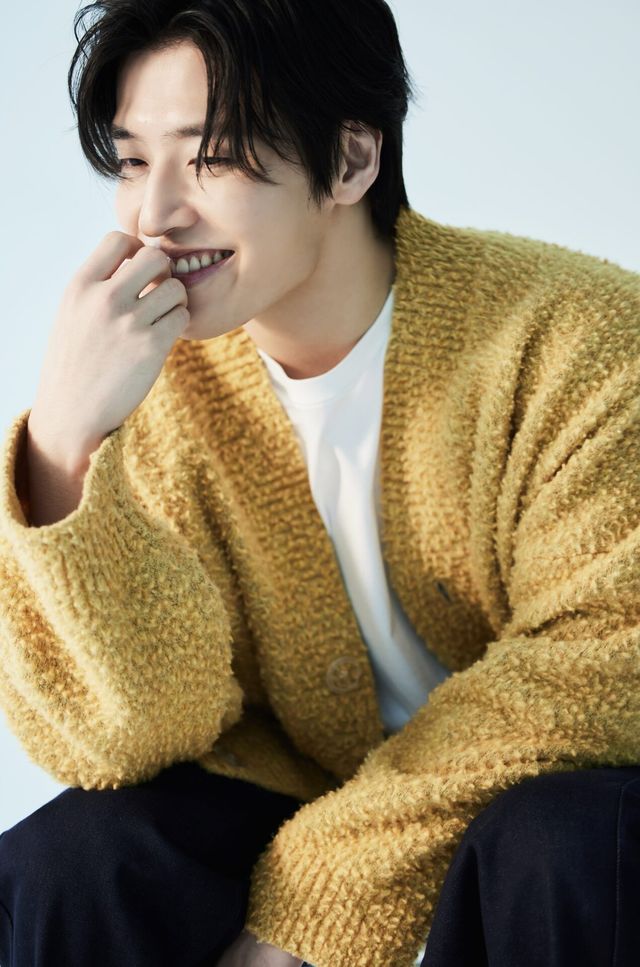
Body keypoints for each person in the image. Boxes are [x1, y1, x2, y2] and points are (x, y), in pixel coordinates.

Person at [0, 1, 639, 965]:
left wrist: (316, 901)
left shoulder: (578, 342)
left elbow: (606, 664)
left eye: (210, 156)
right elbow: (130, 742)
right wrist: (63, 447)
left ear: (350, 159)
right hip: (303, 784)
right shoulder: (150, 387)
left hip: (552, 813)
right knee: (74, 858)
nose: (154, 214)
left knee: (565, 840)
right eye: (131, 161)